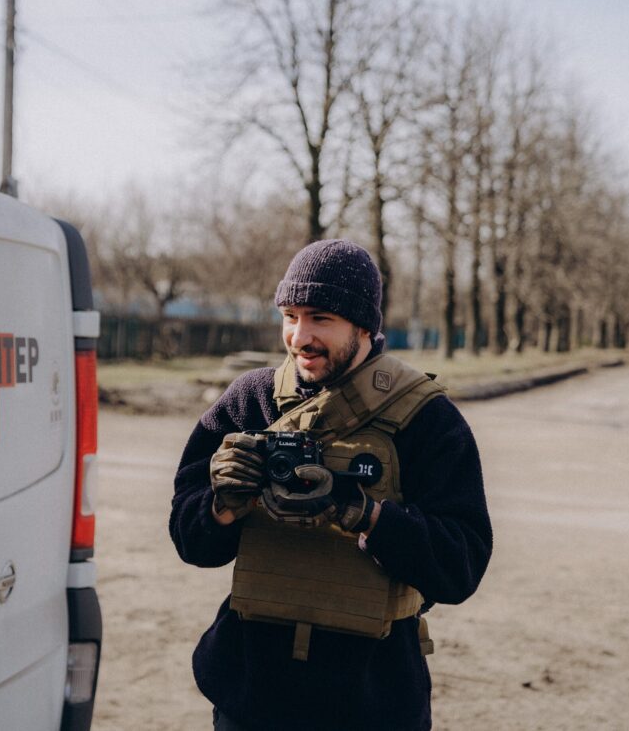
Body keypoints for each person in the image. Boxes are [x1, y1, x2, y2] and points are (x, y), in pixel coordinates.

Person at [169, 239, 492, 730]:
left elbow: (461, 564)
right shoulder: (251, 401)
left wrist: (362, 513)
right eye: (290, 316)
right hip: (255, 697)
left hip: (373, 701)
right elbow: (190, 541)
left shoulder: (426, 419)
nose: (300, 336)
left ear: (363, 325)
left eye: (320, 317)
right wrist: (222, 507)